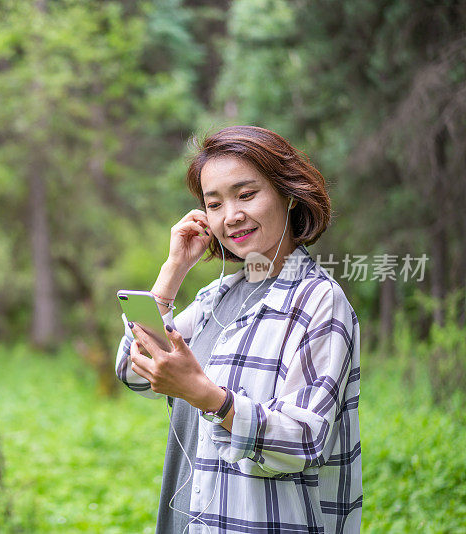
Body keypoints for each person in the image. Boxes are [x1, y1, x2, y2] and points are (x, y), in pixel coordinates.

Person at [115, 125, 362, 533]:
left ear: (288, 193)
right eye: (214, 204)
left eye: (246, 195)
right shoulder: (218, 295)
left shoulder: (318, 299)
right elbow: (133, 370)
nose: (231, 216)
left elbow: (305, 439)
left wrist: (207, 396)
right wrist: (173, 269)